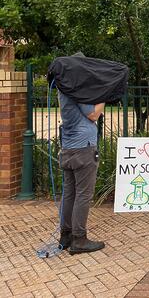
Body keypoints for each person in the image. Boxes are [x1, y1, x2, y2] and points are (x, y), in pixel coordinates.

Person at [58, 90, 105, 254]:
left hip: (68, 147)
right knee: (83, 194)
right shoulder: (77, 90)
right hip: (83, 149)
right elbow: (93, 115)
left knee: (69, 193)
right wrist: (104, 97)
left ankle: (66, 235)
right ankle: (79, 238)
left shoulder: (63, 89)